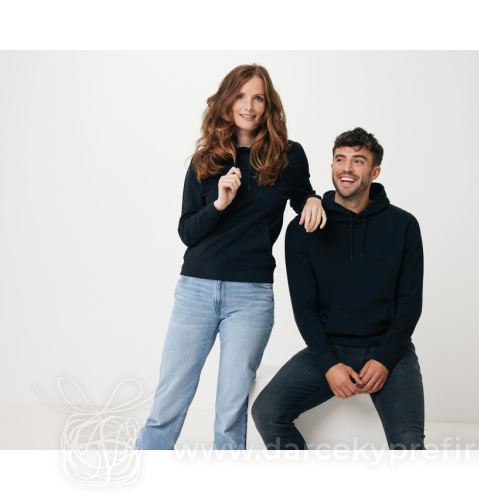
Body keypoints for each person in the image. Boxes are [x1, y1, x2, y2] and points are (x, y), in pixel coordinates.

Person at [134, 64, 326, 451]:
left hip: (251, 295)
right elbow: (187, 231)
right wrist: (219, 204)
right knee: (167, 404)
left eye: (258, 98)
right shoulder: (205, 159)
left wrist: (313, 199)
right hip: (196, 289)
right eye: (240, 96)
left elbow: (302, 195)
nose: (248, 106)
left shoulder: (288, 156)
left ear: (268, 105)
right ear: (227, 102)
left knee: (230, 411)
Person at [251, 127, 425, 450]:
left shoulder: (404, 226)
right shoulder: (304, 229)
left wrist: (385, 359)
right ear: (331, 166)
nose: (347, 168)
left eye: (358, 161)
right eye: (340, 159)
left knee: (410, 447)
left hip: (390, 349)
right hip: (331, 349)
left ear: (375, 172)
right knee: (267, 413)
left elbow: (410, 302)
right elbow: (304, 307)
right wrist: (329, 364)